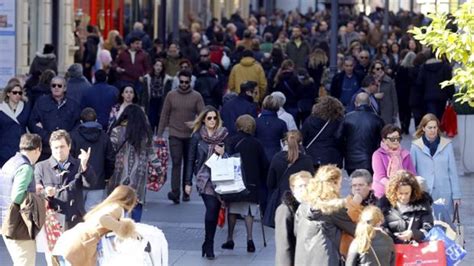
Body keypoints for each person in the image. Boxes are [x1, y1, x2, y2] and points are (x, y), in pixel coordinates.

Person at [52, 185, 138, 266]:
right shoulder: (118, 208)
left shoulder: (106, 205)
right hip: (81, 244)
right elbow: (103, 219)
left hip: (71, 239)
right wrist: (124, 229)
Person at [184, 106, 228, 259]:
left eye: (215, 118)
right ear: (203, 119)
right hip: (204, 177)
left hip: (221, 178)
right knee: (211, 208)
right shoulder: (197, 136)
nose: (212, 121)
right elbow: (190, 159)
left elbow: (232, 157)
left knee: (215, 211)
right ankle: (209, 245)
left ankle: (208, 241)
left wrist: (224, 152)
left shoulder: (224, 135)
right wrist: (187, 182)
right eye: (209, 118)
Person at [221, 115, 268, 253]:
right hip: (252, 182)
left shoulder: (231, 141)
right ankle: (250, 239)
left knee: (233, 210)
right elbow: (264, 164)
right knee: (249, 211)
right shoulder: (257, 143)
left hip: (235, 181)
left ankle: (230, 238)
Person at [108, 104, 162, 222]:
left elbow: (110, 152)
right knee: (136, 207)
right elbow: (152, 155)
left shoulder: (116, 131)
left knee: (117, 207)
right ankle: (133, 230)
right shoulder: (145, 134)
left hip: (119, 176)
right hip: (138, 178)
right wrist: (159, 171)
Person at [157, 70, 204, 204]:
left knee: (189, 163)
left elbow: (203, 115)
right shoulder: (171, 95)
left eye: (186, 82)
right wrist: (159, 134)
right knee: (176, 162)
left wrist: (196, 125)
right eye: (181, 82)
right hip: (174, 134)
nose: (184, 84)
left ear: (190, 82)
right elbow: (164, 114)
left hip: (190, 135)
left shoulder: (196, 96)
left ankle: (186, 191)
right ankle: (175, 192)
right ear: (178, 81)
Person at [294, 165, 356, 265]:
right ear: (333, 184)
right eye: (339, 183)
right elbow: (356, 231)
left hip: (303, 260)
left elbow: (297, 232)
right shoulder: (333, 208)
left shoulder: (303, 206)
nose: (340, 187)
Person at [35, 130, 92, 230]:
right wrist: (46, 192)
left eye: (62, 146)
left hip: (75, 219)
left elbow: (90, 183)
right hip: (51, 219)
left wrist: (84, 166)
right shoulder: (41, 167)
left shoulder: (79, 164)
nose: (59, 150)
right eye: (55, 147)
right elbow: (35, 191)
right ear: (51, 148)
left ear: (69, 146)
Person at [0, 133, 42, 266]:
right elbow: (17, 196)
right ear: (37, 150)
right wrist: (38, 196)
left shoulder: (10, 162)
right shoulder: (25, 167)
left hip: (6, 221)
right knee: (25, 262)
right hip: (19, 225)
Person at [410, 113, 461, 216]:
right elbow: (412, 172)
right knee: (426, 225)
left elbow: (453, 171)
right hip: (424, 193)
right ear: (423, 128)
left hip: (444, 192)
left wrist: (456, 195)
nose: (433, 130)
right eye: (430, 127)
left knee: (444, 227)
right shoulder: (415, 146)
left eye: (435, 127)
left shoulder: (447, 145)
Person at [264, 130, 314, 228]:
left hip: (281, 200)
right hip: (300, 201)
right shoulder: (306, 160)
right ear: (301, 143)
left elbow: (270, 183)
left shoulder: (277, 158)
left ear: (285, 142)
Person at [70, 108, 115, 211]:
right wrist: (106, 176)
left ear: (81, 121)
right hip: (98, 181)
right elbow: (110, 159)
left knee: (77, 215)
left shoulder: (73, 136)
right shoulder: (104, 137)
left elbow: (70, 159)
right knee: (92, 216)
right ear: (96, 120)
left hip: (77, 181)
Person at [28, 76, 81, 159]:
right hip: (45, 150)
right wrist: (47, 138)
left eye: (59, 85)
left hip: (65, 149)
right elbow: (32, 122)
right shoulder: (41, 102)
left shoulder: (73, 105)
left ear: (65, 88)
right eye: (53, 85)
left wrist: (66, 138)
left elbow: (78, 125)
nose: (56, 87)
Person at [378, 170, 434, 244]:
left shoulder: (422, 203)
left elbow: (428, 228)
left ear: (413, 191)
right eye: (400, 193)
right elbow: (381, 227)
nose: (403, 197)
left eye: (407, 193)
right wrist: (394, 237)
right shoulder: (384, 205)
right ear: (394, 191)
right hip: (392, 248)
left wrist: (413, 233)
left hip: (417, 249)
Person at [274, 171, 312, 266]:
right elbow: (283, 246)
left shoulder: (310, 207)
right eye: (300, 186)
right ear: (292, 188)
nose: (304, 189)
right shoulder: (285, 210)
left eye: (306, 185)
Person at [341, 93, 385, 175]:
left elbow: (338, 137)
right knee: (368, 183)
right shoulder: (377, 119)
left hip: (351, 159)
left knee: (355, 184)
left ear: (355, 103)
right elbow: (383, 138)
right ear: (369, 103)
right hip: (370, 158)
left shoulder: (347, 118)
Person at [372, 124, 416, 198]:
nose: (396, 141)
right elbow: (380, 177)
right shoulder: (377, 155)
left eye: (398, 138)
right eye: (392, 139)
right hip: (382, 194)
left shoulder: (405, 154)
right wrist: (396, 187)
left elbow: (412, 174)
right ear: (384, 140)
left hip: (402, 194)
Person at [302, 96, 345, 170]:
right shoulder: (338, 122)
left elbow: (304, 137)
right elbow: (340, 139)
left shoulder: (310, 120)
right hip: (332, 156)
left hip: (312, 156)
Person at [0, 82, 31, 167]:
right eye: (14, 92)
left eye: (20, 93)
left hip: (20, 146)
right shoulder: (1, 108)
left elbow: (31, 122)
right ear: (8, 93)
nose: (17, 95)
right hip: (4, 148)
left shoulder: (25, 107)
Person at [416, 52, 454, 120]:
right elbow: (449, 82)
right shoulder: (445, 66)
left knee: (432, 116)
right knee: (440, 115)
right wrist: (451, 95)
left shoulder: (423, 67)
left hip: (428, 96)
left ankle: (434, 128)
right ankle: (438, 128)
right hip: (442, 95)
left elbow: (419, 83)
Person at [256, 95, 288, 163]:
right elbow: (285, 142)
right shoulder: (281, 123)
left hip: (259, 155)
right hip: (275, 156)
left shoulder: (256, 122)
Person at [145, 59, 173, 131]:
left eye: (160, 66)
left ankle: (158, 139)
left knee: (160, 122)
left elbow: (168, 93)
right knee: (150, 121)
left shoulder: (167, 79)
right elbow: (144, 93)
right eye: (157, 65)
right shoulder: (147, 78)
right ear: (153, 66)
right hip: (151, 101)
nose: (158, 67)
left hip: (161, 102)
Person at [370, 60, 398, 125]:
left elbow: (394, 96)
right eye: (377, 69)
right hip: (374, 111)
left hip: (387, 111)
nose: (380, 70)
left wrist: (395, 113)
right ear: (373, 70)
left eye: (382, 68)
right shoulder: (369, 80)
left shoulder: (389, 80)